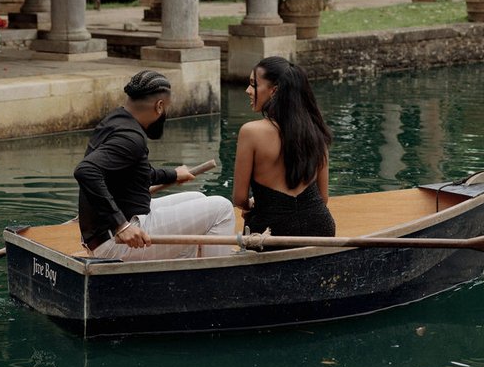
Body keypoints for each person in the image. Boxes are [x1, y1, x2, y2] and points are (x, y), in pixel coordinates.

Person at [74, 68, 236, 260]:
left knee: (197, 197)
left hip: (109, 232)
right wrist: (122, 225)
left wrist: (173, 175)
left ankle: (185, 266)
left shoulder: (115, 120)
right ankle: (217, 278)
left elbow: (135, 174)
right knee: (222, 208)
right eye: (166, 108)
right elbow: (86, 171)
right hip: (116, 242)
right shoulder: (131, 138)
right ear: (159, 106)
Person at [233, 56, 335, 238]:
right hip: (320, 227)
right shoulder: (316, 130)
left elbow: (239, 199)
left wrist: (251, 205)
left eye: (253, 85)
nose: (248, 90)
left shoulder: (250, 132)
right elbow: (323, 198)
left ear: (274, 91)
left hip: (271, 232)